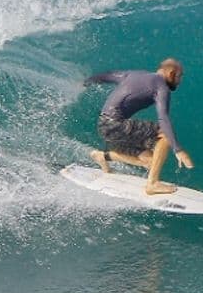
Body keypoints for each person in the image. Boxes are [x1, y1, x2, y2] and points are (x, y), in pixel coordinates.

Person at [83, 57, 195, 195]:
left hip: (104, 125)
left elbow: (108, 75)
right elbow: (163, 118)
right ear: (171, 73)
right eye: (179, 76)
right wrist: (178, 150)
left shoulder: (134, 74)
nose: (180, 81)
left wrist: (87, 81)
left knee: (151, 161)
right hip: (115, 124)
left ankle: (103, 156)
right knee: (164, 136)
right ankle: (152, 184)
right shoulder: (161, 88)